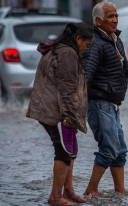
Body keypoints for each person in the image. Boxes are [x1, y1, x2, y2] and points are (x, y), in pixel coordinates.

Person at [26, 22, 93, 206]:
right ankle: (55, 198)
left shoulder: (62, 49)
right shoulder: (67, 54)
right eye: (86, 44)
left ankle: (68, 192)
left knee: (70, 152)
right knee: (64, 153)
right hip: (58, 112)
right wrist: (71, 118)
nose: (86, 48)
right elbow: (67, 90)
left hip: (57, 110)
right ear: (78, 38)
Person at [82, 1, 128, 196]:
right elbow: (86, 74)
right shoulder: (94, 42)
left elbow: (125, 69)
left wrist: (122, 86)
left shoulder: (116, 40)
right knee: (109, 148)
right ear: (98, 21)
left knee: (120, 151)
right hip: (99, 103)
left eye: (116, 16)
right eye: (110, 17)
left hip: (113, 104)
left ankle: (120, 191)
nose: (115, 20)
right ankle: (91, 190)